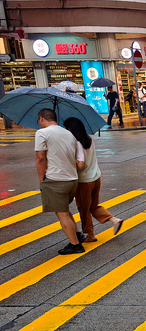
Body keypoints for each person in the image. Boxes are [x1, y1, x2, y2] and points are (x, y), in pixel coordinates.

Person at [63, 118, 124, 241]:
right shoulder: (89, 140)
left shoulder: (78, 143)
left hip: (84, 181)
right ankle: (114, 220)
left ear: (70, 129)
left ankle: (90, 235)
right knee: (93, 206)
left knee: (84, 209)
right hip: (96, 177)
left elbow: (80, 164)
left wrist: (68, 158)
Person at [34, 109, 83, 255]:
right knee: (65, 211)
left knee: (62, 214)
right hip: (72, 179)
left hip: (56, 180)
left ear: (42, 118)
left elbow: (40, 158)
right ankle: (77, 235)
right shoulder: (68, 134)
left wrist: (41, 179)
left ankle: (75, 245)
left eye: (38, 120)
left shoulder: (42, 133)